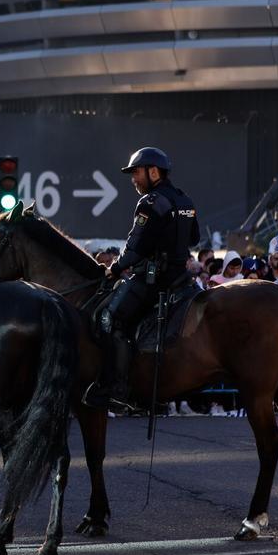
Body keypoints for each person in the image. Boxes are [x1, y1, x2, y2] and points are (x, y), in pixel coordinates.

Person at [84, 147, 199, 410]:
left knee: (109, 318)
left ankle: (117, 389)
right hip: (182, 280)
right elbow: (193, 238)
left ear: (153, 171)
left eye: (136, 172)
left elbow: (134, 246)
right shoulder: (185, 200)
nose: (133, 179)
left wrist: (114, 268)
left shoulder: (151, 202)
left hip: (153, 280)